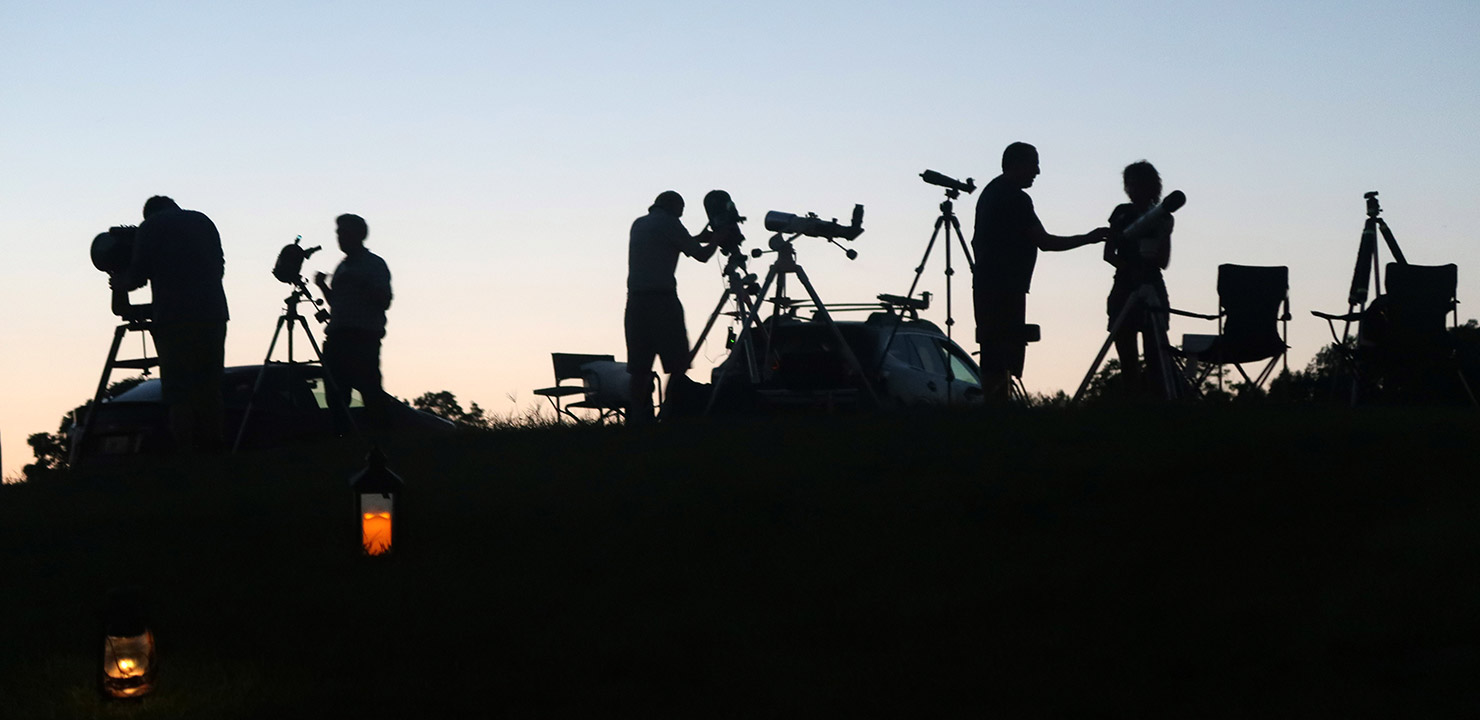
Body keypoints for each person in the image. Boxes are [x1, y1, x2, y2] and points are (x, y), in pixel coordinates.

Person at [972, 142, 1110, 401]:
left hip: (986, 283)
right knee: (1005, 350)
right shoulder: (1016, 198)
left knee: (991, 349)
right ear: (1017, 164)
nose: (1037, 171)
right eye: (1033, 164)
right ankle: (1000, 409)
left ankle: (993, 409)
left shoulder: (991, 192)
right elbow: (1045, 242)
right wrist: (1088, 238)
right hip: (1007, 287)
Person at [115, 196, 229, 452]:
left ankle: (185, 450)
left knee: (178, 389)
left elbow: (137, 276)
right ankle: (216, 444)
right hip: (213, 313)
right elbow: (219, 268)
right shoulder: (203, 220)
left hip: (174, 317)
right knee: (210, 385)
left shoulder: (151, 226)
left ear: (148, 214)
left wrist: (120, 280)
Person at [625, 190, 717, 424]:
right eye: (682, 210)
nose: (682, 215)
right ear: (674, 207)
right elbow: (702, 255)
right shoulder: (670, 223)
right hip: (662, 302)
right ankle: (670, 415)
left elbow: (668, 243)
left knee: (639, 368)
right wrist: (720, 237)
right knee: (677, 364)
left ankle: (637, 419)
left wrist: (696, 237)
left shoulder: (640, 224)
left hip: (635, 302)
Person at [314, 214, 393, 429]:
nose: (340, 237)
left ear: (358, 235)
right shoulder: (342, 267)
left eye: (344, 233)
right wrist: (322, 287)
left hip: (363, 336)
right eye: (339, 233)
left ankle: (378, 436)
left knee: (369, 389)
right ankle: (342, 435)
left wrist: (361, 284)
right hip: (338, 334)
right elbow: (337, 304)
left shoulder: (373, 264)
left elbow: (384, 300)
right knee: (335, 391)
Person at [1104, 161, 1173, 397]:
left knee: (1156, 350)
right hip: (1124, 286)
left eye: (1136, 183)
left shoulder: (1162, 216)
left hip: (1152, 285)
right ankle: (1132, 400)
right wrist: (1130, 269)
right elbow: (1108, 254)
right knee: (1126, 351)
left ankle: (1158, 401)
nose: (1132, 189)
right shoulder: (1121, 213)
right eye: (1129, 183)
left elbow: (1163, 260)